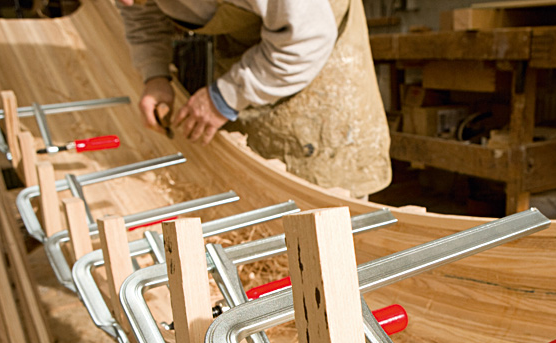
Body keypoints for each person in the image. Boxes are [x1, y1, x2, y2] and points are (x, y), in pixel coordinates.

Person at [116, 0, 391, 198]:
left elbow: (307, 37)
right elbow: (141, 12)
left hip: (310, 39)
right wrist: (155, 74)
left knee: (324, 187)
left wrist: (225, 96)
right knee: (259, 189)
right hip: (255, 37)